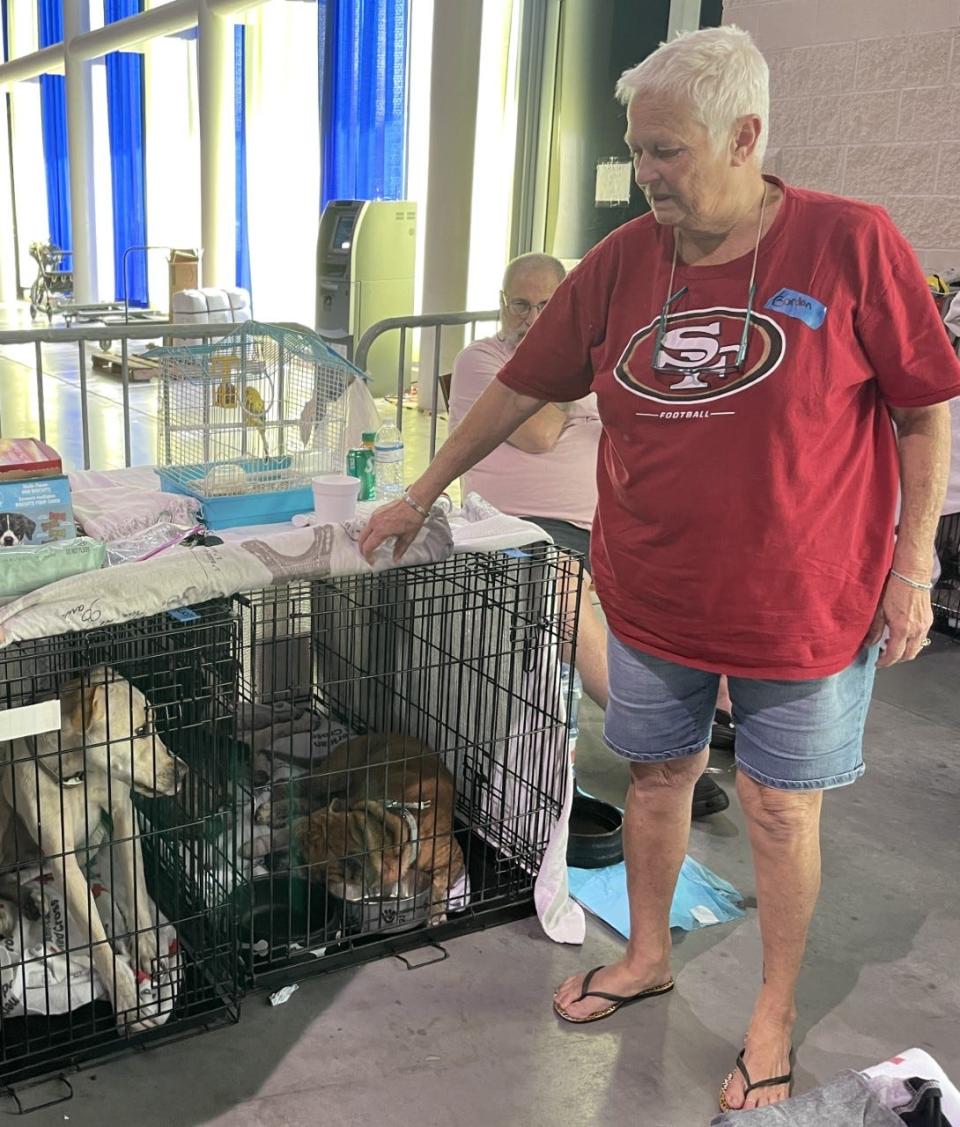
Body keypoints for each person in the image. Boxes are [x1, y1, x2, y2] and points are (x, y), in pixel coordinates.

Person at [360, 25, 959, 1112]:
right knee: (654, 777)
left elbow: (924, 408)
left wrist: (913, 563)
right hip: (650, 592)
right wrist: (423, 484)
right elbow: (517, 386)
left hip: (807, 602)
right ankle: (646, 952)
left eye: (667, 152)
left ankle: (772, 1009)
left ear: (744, 137)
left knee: (780, 812)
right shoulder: (625, 261)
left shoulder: (852, 243)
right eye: (637, 151)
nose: (646, 176)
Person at [449, 251, 729, 817]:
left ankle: (714, 713)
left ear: (568, 305)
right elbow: (539, 434)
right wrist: (572, 382)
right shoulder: (481, 360)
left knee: (708, 559)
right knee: (563, 586)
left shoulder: (600, 360)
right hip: (522, 529)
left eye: (547, 306)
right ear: (503, 306)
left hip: (616, 524)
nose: (531, 317)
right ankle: (659, 751)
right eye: (520, 305)